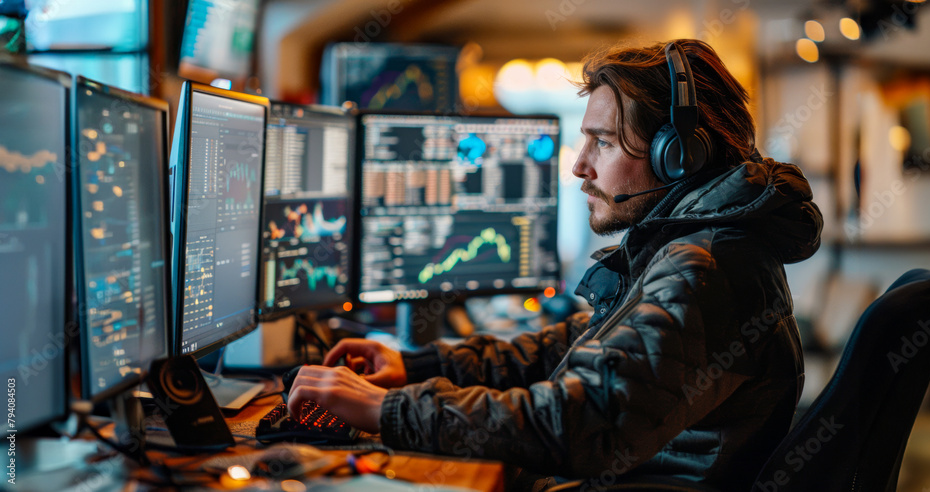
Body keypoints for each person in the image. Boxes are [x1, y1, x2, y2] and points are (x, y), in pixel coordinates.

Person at [288, 38, 823, 490]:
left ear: (676, 155)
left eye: (603, 142)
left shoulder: (705, 267)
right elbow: (580, 345)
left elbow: (580, 422)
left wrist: (388, 412)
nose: (578, 165)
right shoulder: (697, 245)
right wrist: (420, 369)